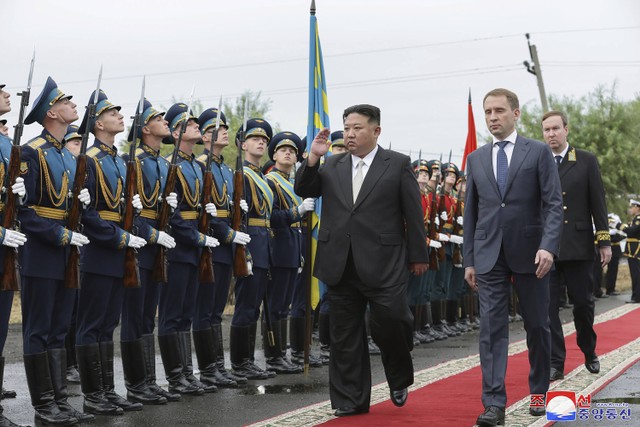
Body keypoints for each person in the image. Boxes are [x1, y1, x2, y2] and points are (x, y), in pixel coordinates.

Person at [295, 104, 428, 416]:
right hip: (340, 262)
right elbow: (303, 187)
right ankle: (350, 400)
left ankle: (397, 375)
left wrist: (418, 255)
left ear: (376, 131)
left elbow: (413, 214)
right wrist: (313, 157)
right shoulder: (331, 165)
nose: (350, 134)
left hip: (385, 262)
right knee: (344, 336)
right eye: (347, 127)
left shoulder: (396, 164)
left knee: (393, 321)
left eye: (357, 128)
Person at [463, 88, 563, 426]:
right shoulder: (476, 158)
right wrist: (470, 259)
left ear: (516, 113)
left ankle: (539, 392)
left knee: (537, 325)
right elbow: (472, 212)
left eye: (499, 111)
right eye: (488, 112)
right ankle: (493, 404)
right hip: (489, 254)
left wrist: (549, 246)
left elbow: (553, 204)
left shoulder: (537, 152)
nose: (492, 117)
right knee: (491, 329)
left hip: (533, 254)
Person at [20, 77, 93, 425]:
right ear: (52, 111)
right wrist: (60, 235)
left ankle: (60, 399)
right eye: (66, 101)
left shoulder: (67, 154)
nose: (73, 105)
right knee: (39, 328)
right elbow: (25, 212)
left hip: (68, 250)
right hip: (43, 251)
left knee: (60, 328)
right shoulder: (32, 151)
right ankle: (43, 403)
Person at [75, 89, 147, 415]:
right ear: (98, 123)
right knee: (91, 324)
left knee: (108, 324)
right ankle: (92, 395)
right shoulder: (88, 160)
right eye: (112, 112)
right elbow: (87, 214)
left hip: (119, 250)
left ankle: (107, 389)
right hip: (101, 250)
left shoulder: (119, 160)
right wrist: (119, 238)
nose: (120, 115)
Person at [541, 110, 611, 382]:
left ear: (566, 130)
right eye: (546, 130)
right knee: (548, 309)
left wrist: (603, 242)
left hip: (579, 246)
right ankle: (555, 362)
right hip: (547, 248)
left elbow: (598, 203)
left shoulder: (585, 160)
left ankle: (588, 349)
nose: (551, 134)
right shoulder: (538, 161)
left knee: (583, 304)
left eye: (556, 129)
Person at [156, 103, 219, 396]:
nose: (197, 127)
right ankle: (175, 376)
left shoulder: (196, 165)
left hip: (195, 246)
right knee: (172, 314)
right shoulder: (172, 166)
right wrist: (196, 237)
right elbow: (173, 212)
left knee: (185, 314)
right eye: (191, 124)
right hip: (180, 247)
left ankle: (186, 373)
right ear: (178, 132)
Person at [120, 98, 179, 405]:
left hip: (158, 244)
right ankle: (135, 384)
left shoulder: (163, 163)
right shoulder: (135, 162)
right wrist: (153, 233)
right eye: (158, 117)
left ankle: (148, 381)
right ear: (145, 129)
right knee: (134, 316)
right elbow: (129, 212)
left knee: (147, 317)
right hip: (140, 244)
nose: (165, 121)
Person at [194, 107, 250, 387]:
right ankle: (207, 368)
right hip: (212, 244)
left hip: (226, 245)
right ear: (205, 135)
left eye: (226, 126)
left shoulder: (225, 169)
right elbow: (205, 212)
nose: (226, 130)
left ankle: (217, 365)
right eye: (219, 127)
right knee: (204, 309)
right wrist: (228, 233)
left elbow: (226, 208)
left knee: (216, 310)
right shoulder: (201, 165)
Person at [229, 118, 277, 380]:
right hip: (249, 244)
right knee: (246, 306)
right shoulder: (242, 175)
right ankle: (239, 363)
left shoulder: (260, 176)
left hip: (263, 243)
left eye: (264, 140)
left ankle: (246, 361)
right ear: (243, 143)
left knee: (254, 306)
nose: (261, 142)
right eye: (255, 139)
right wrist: (244, 250)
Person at [0, 83, 28, 427]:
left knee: (0, 326)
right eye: (1, 91)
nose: (8, 96)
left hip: (7, 244)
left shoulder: (8, 143)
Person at [616, 200, 640, 303]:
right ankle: (636, 296)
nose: (630, 209)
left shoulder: (638, 219)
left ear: (637, 207)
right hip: (632, 249)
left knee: (636, 274)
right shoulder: (635, 219)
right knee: (635, 274)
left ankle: (636, 297)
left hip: (635, 250)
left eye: (632, 207)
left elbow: (631, 231)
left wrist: (619, 225)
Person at [605, 213, 625, 296]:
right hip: (609, 248)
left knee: (613, 270)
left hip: (615, 250)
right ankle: (607, 289)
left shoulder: (616, 231)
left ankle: (610, 288)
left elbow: (621, 236)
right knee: (599, 271)